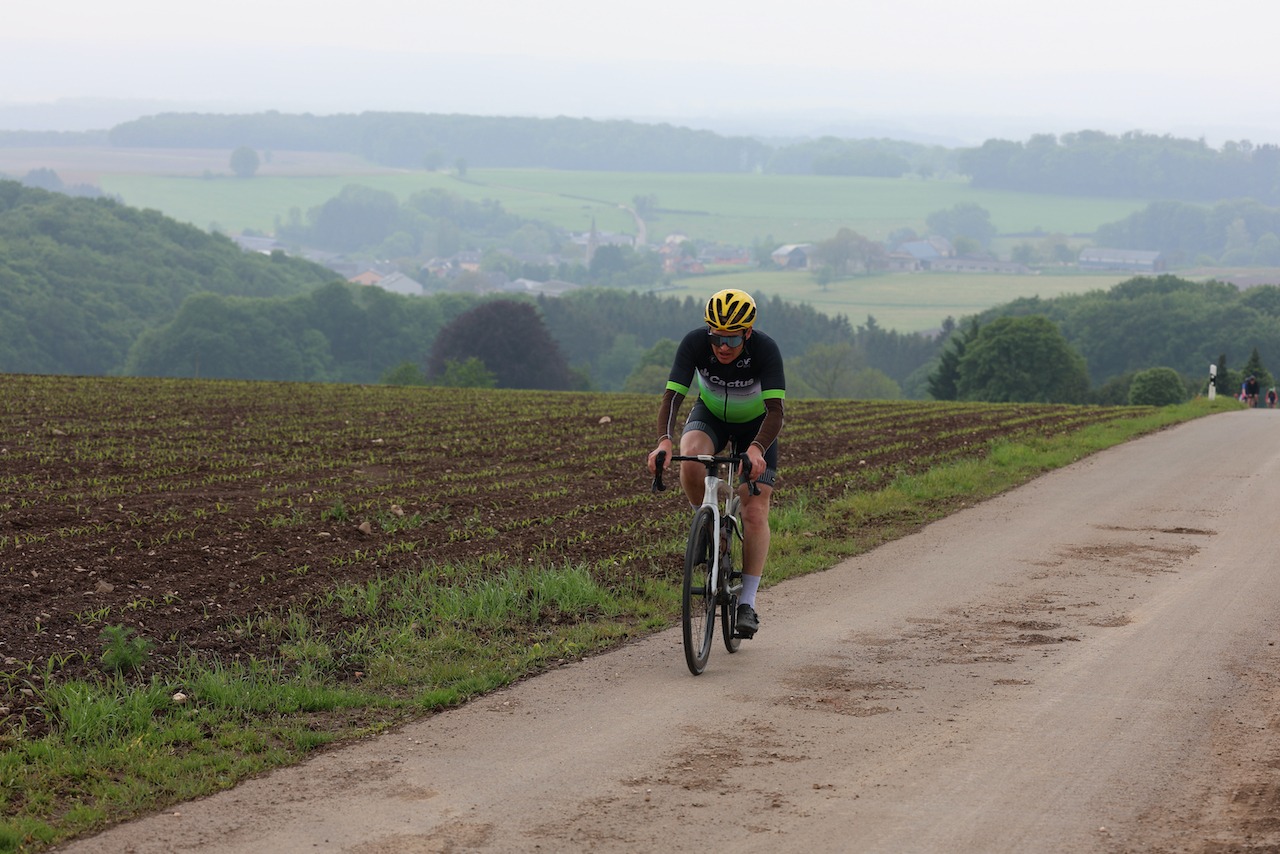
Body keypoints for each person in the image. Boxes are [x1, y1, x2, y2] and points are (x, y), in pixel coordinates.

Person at [647, 288, 786, 639]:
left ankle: (747, 602)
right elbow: (673, 397)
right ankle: (705, 522)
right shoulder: (694, 343)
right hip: (710, 415)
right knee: (691, 454)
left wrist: (756, 449)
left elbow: (775, 411)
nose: (723, 346)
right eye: (717, 337)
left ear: (748, 333)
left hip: (756, 426)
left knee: (754, 510)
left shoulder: (765, 350)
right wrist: (664, 440)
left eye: (733, 338)